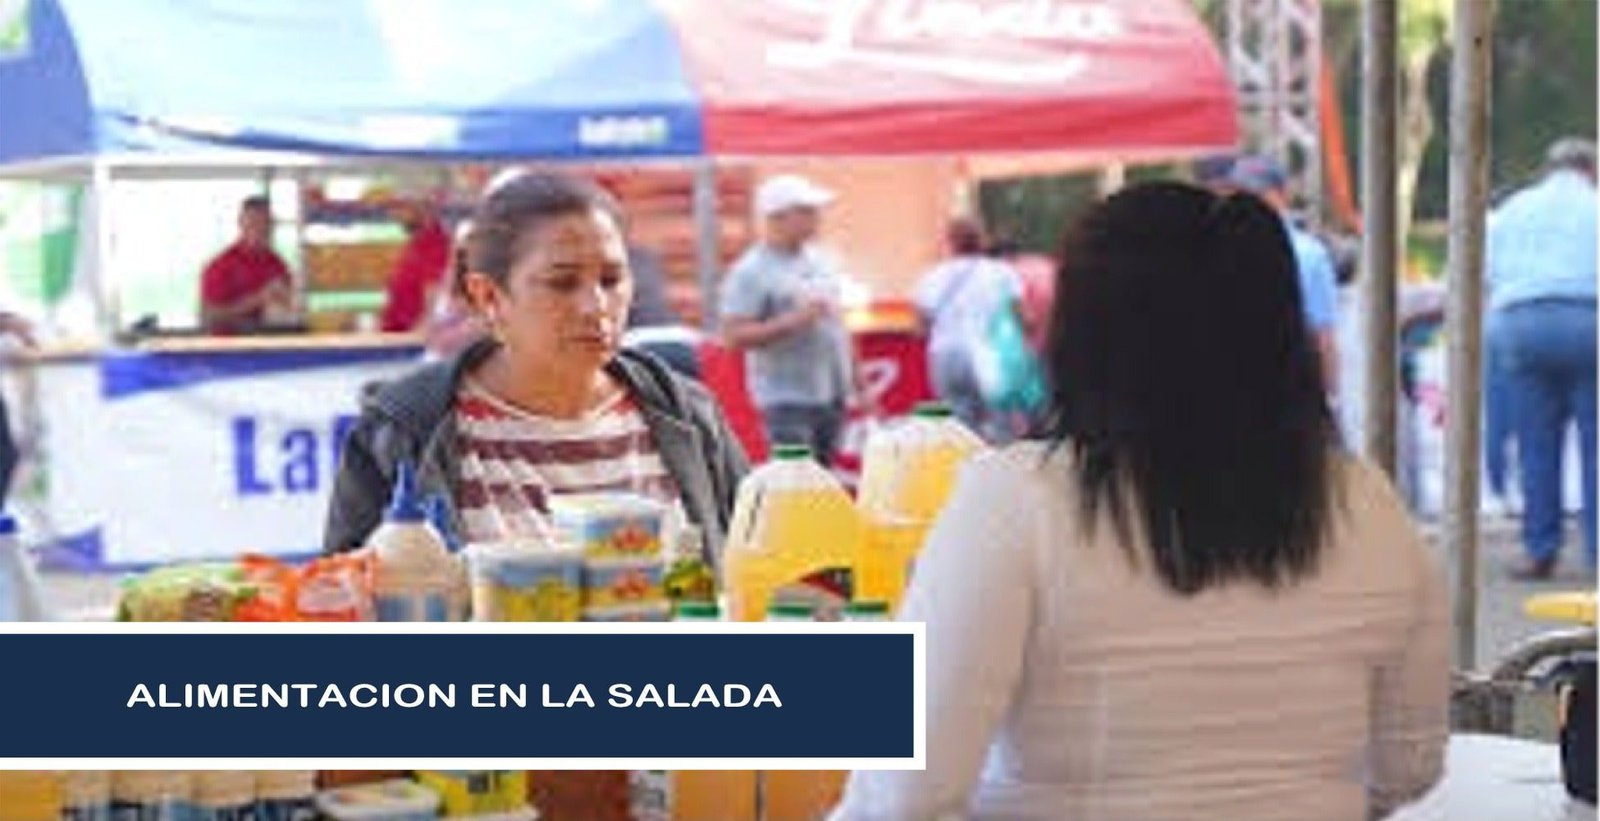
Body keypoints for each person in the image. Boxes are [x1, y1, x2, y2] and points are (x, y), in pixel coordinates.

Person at [831, 183, 1447, 820]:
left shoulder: (1017, 501)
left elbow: (901, 798)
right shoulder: (1368, 503)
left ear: (1082, 334)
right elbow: (1410, 767)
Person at [325, 172, 748, 568]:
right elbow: (344, 598)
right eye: (562, 283)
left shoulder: (687, 415)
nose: (596, 306)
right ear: (488, 296)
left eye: (611, 279)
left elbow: (752, 577)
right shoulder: (404, 429)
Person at [1486, 137, 1598, 579]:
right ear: (1591, 169)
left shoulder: (1514, 208)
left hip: (1521, 323)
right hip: (1589, 320)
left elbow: (1489, 272)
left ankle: (1541, 549)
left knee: (1536, 443)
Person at [720, 174, 856, 466]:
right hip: (786, 397)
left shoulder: (822, 260)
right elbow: (733, 336)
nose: (816, 218)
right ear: (777, 217)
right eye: (806, 211)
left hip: (831, 391)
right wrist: (794, 321)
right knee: (796, 478)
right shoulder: (751, 271)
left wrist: (857, 381)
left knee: (824, 476)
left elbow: (838, 324)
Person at [1205, 155, 1342, 398]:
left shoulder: (1308, 256)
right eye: (1237, 195)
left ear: (1280, 196)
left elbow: (1322, 336)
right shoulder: (1219, 250)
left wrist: (1329, 395)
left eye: (1255, 194)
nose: (1245, 203)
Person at [913, 217, 1023, 440]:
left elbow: (921, 328)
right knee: (1002, 428)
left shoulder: (932, 276)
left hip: (946, 356)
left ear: (950, 242)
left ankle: (967, 460)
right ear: (982, 240)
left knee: (960, 432)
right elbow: (1020, 318)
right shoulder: (1002, 272)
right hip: (991, 356)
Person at [199, 196, 294, 335]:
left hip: (270, 343)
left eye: (266, 222)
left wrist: (288, 302)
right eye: (253, 222)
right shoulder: (220, 266)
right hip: (230, 346)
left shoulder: (278, 265)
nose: (260, 228)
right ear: (241, 223)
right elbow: (208, 318)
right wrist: (258, 299)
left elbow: (288, 310)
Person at [379, 198, 453, 333]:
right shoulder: (417, 244)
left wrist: (414, 340)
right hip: (395, 335)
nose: (395, 215)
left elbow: (433, 305)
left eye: (402, 207)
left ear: (423, 208)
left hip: (408, 339)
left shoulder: (436, 246)